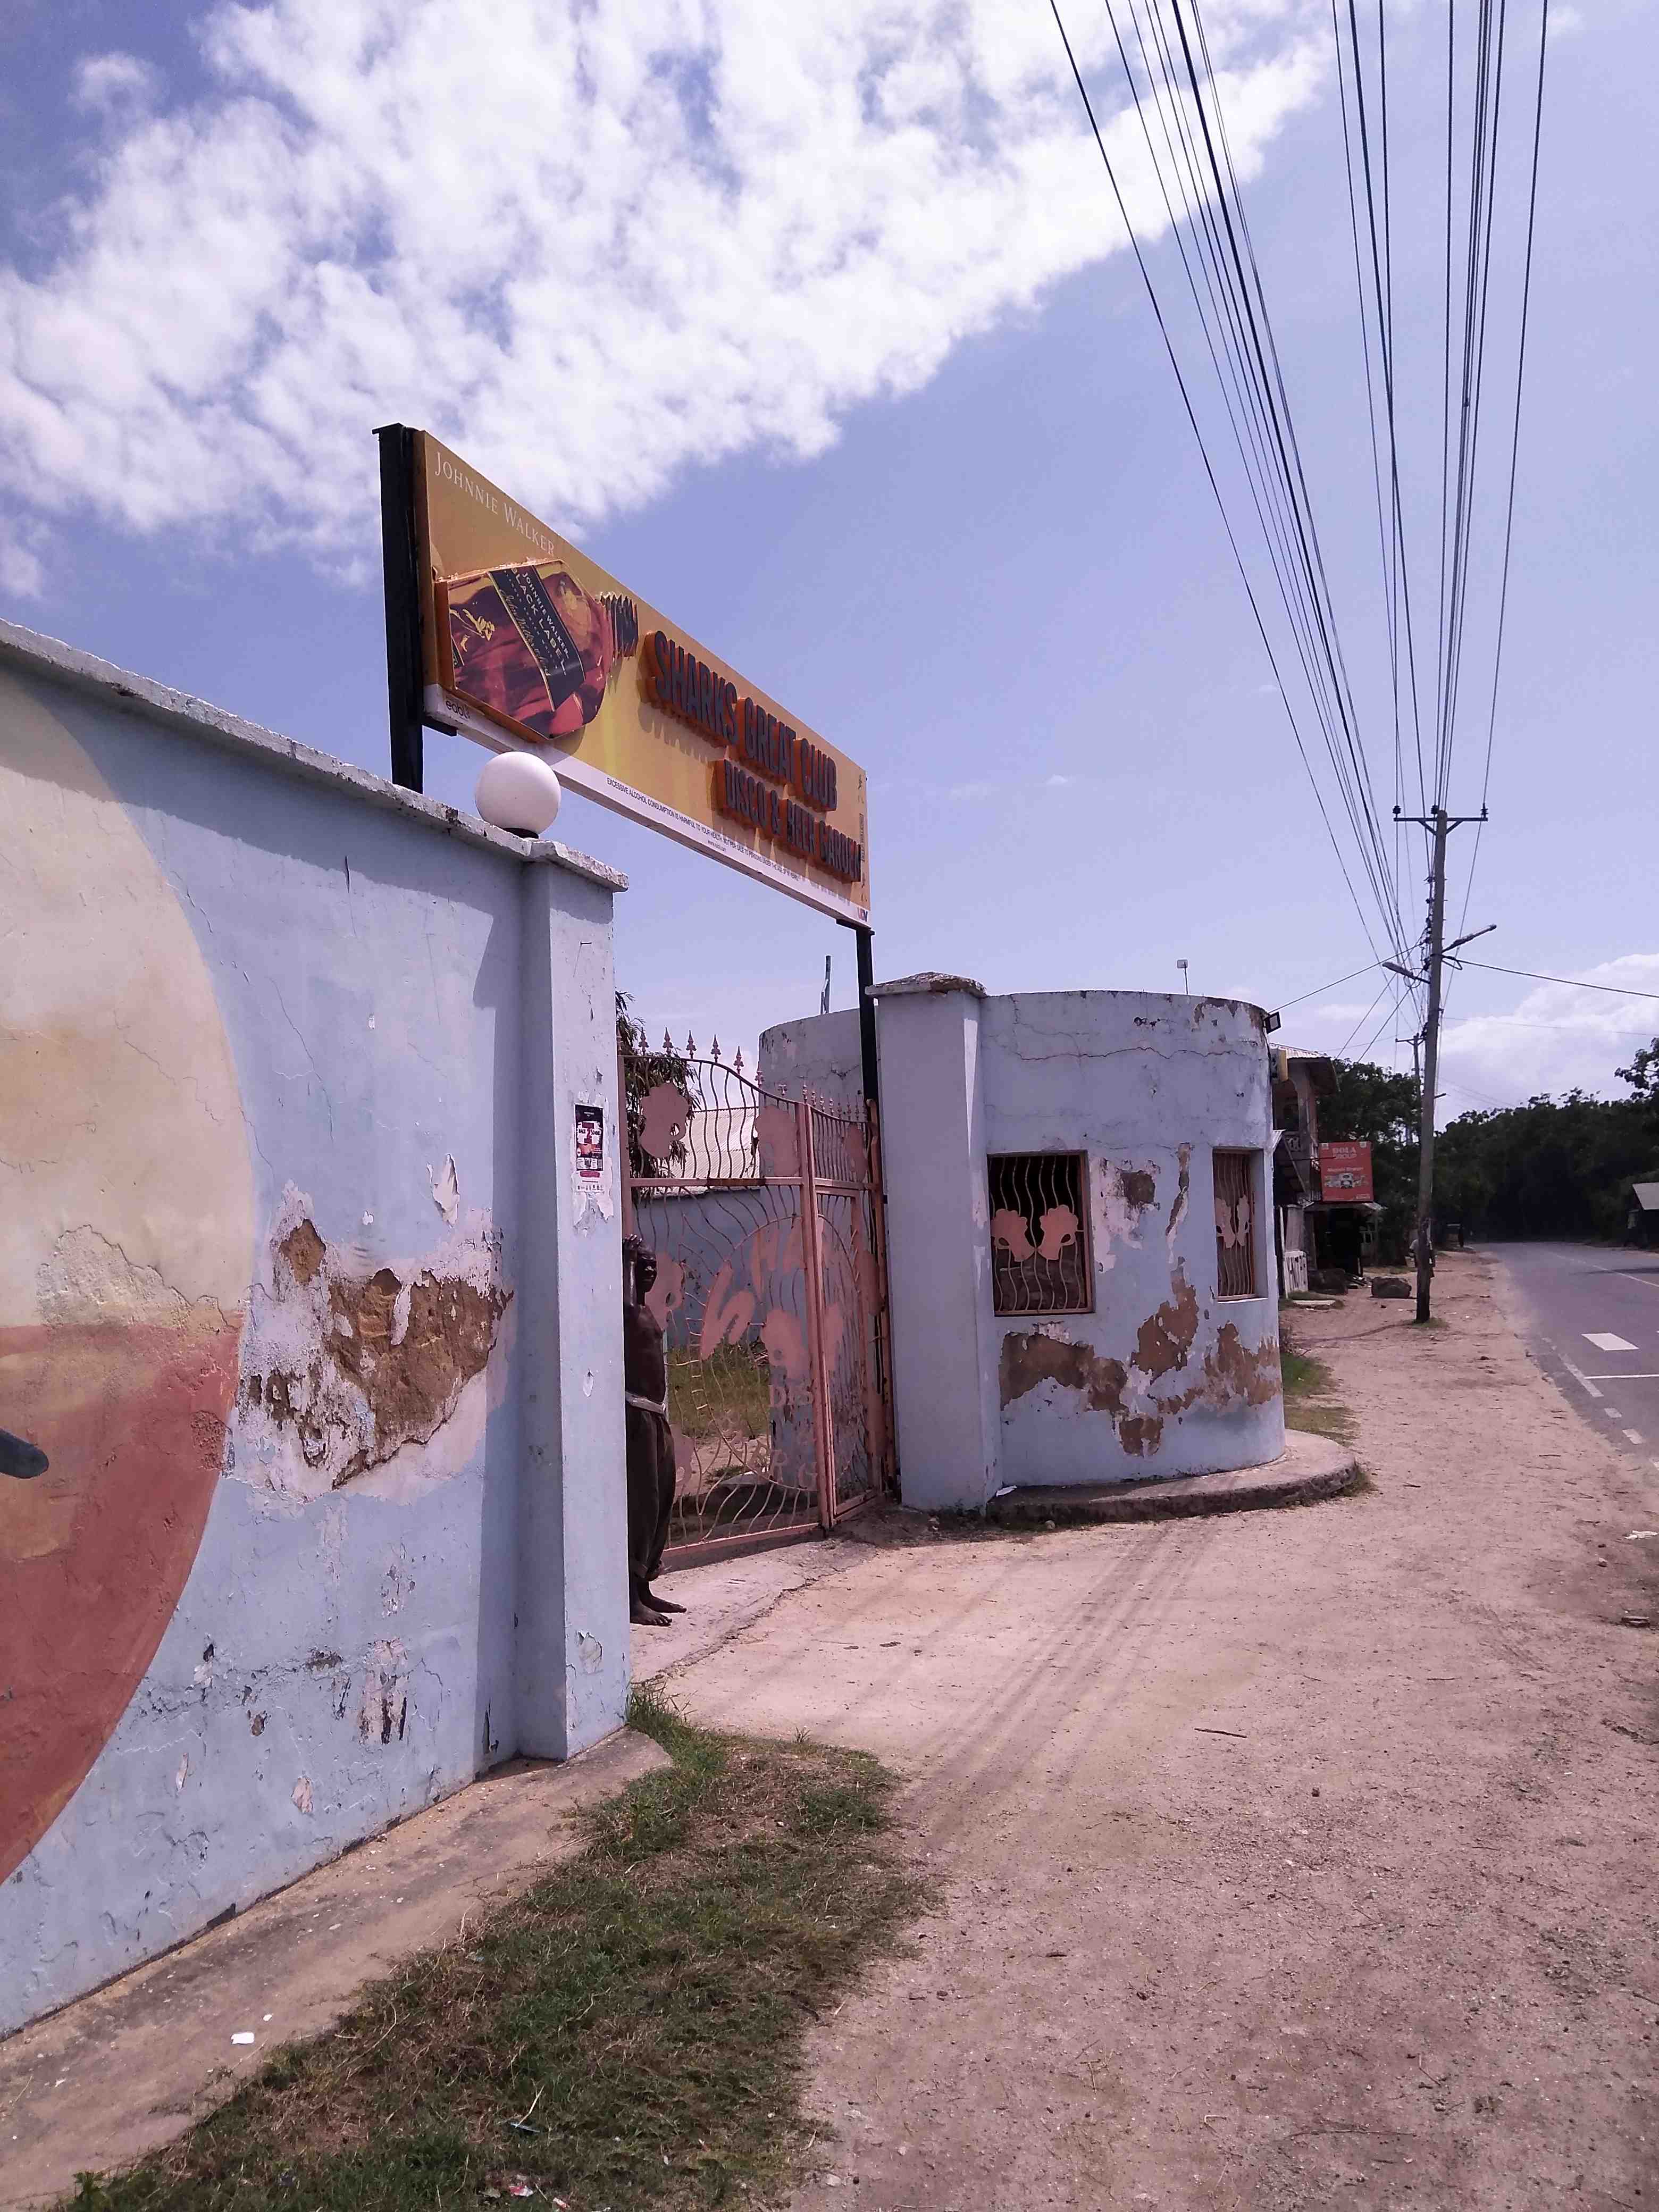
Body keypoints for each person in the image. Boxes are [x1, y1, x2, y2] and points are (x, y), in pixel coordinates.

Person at [623, 1236, 682, 1627]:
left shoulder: (645, 1310)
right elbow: (629, 1306)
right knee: (642, 1506)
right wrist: (627, 1259)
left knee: (662, 1500)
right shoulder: (626, 1310)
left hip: (657, 1417)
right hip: (638, 1417)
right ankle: (631, 1597)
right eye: (641, 1265)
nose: (648, 1271)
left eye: (652, 1266)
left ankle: (645, 1586)